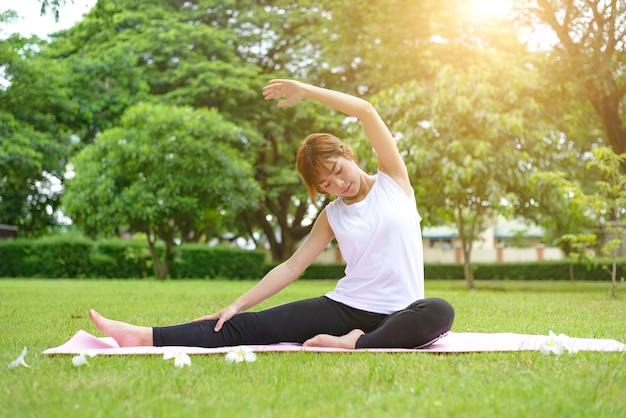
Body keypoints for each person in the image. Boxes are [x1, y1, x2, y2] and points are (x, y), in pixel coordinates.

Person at [89, 79, 455, 350]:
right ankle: (141, 335)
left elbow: (366, 111)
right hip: (346, 307)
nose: (336, 185)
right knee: (249, 326)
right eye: (325, 183)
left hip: (402, 313)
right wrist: (235, 304)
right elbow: (291, 267)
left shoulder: (394, 181)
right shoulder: (332, 216)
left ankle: (355, 344)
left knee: (440, 311)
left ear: (347, 153)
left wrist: (307, 92)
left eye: (337, 171)